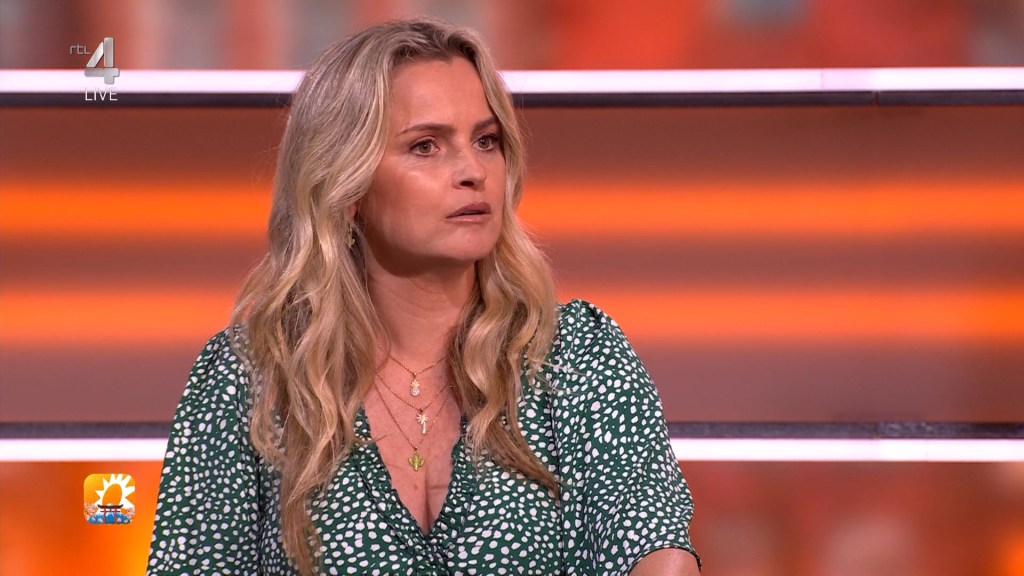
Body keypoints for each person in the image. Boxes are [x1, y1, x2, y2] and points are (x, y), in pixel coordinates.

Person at [147, 17, 700, 576]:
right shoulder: (252, 374)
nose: (472, 171)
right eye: (426, 146)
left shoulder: (573, 352)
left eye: (486, 141)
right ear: (347, 185)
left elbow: (656, 549)